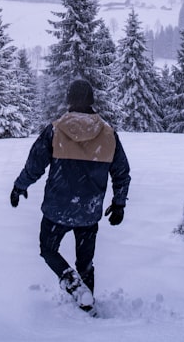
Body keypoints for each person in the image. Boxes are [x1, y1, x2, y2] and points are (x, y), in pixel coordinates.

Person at [10, 79, 131, 313]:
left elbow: (35, 165)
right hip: (88, 211)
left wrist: (19, 186)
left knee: (48, 249)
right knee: (85, 263)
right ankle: (88, 305)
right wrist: (119, 204)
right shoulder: (108, 134)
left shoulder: (55, 130)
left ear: (69, 100)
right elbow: (121, 173)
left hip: (57, 209)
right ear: (92, 100)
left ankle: (75, 287)